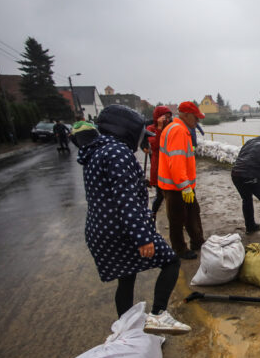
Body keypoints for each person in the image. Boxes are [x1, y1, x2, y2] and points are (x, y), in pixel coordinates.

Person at [75, 107, 190, 334]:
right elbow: (126, 201)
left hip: (101, 229)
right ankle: (158, 315)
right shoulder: (119, 153)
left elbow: (110, 191)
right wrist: (143, 238)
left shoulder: (97, 150)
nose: (141, 141)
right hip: (121, 229)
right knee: (170, 262)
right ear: (126, 129)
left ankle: (125, 330)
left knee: (126, 276)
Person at [158, 101, 205, 260]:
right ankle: (180, 249)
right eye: (195, 118)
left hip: (183, 185)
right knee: (177, 219)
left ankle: (197, 241)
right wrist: (184, 186)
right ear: (185, 115)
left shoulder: (179, 129)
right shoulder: (177, 131)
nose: (197, 122)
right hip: (176, 187)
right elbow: (176, 163)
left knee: (193, 213)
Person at [141, 105, 173, 222]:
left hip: (170, 165)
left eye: (169, 118)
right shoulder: (151, 129)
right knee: (160, 195)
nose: (167, 120)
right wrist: (159, 128)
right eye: (165, 117)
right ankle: (152, 216)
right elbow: (156, 145)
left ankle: (174, 218)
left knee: (171, 196)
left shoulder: (170, 128)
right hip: (158, 165)